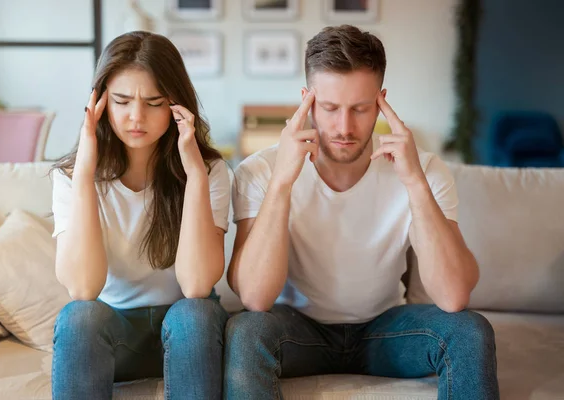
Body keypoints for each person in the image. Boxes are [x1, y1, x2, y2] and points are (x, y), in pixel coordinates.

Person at [224, 25, 499, 400]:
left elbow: (453, 297)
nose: (344, 127)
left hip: (384, 330)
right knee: (246, 332)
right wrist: (283, 184)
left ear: (382, 101)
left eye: (360, 108)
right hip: (298, 330)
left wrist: (415, 183)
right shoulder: (262, 171)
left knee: (471, 331)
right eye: (330, 108)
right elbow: (256, 298)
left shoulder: (424, 170)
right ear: (306, 101)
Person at [50, 31, 230, 400]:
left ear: (177, 106)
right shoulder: (72, 177)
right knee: (79, 316)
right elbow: (83, 289)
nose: (136, 117)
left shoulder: (209, 171)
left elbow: (196, 286)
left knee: (194, 314)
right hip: (114, 336)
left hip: (186, 334)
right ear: (99, 105)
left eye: (153, 102)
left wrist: (194, 174)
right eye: (121, 101)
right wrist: (85, 174)